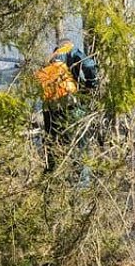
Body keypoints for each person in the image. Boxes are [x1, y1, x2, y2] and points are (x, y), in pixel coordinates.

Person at [36, 38, 99, 174]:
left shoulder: (47, 62)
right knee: (80, 145)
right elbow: (88, 65)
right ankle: (82, 184)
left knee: (53, 147)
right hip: (70, 105)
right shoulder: (70, 49)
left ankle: (54, 181)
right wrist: (91, 83)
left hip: (49, 111)